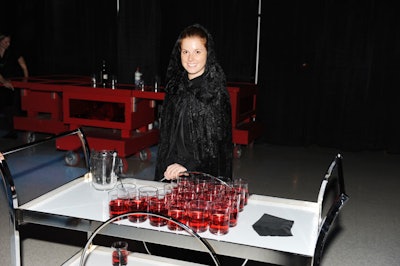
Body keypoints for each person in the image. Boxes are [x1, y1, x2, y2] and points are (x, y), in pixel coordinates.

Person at [155, 24, 233, 181]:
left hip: (201, 177)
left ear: (208, 53)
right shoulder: (175, 88)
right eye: (185, 52)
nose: (190, 58)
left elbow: (215, 148)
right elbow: (167, 138)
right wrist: (169, 164)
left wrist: (187, 167)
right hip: (171, 170)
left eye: (197, 52)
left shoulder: (214, 93)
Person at [0, 33, 29, 139]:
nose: (7, 44)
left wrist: (26, 80)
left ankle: (14, 131)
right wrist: (3, 81)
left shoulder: (13, 51)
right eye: (5, 42)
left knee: (13, 106)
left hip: (13, 82)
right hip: (3, 82)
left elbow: (23, 66)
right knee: (6, 107)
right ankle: (11, 129)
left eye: (9, 42)